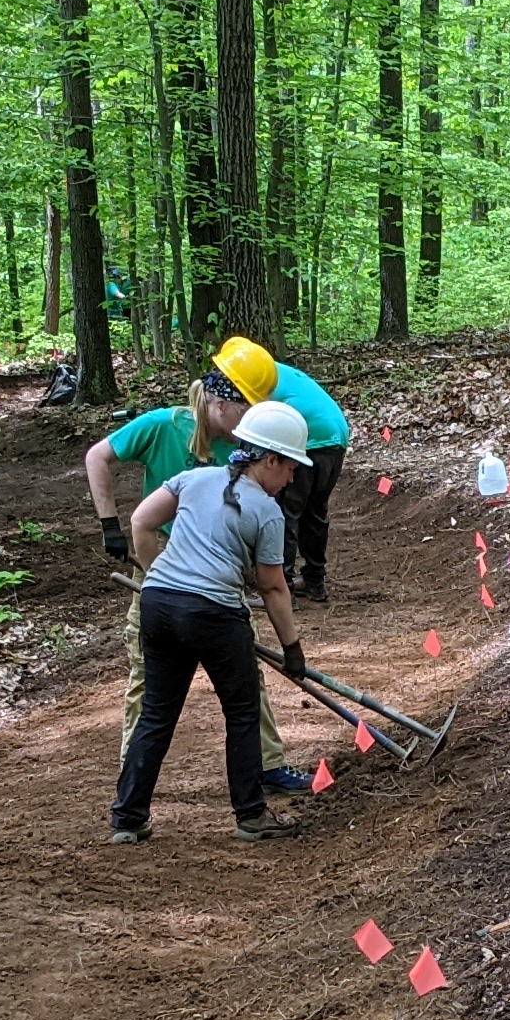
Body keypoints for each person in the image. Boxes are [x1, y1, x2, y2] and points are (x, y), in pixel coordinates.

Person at [82, 366, 300, 789]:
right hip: (162, 568)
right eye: (246, 409)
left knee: (244, 677)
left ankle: (268, 764)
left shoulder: (244, 450)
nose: (251, 422)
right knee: (148, 681)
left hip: (217, 582)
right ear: (220, 405)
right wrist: (113, 529)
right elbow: (98, 458)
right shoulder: (162, 427)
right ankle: (133, 774)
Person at [113, 400, 317, 846]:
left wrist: (159, 575)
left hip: (158, 607)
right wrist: (293, 649)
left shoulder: (193, 479)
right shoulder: (267, 511)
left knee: (156, 713)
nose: (292, 479)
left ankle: (128, 817)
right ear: (270, 459)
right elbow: (273, 587)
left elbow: (140, 521)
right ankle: (251, 815)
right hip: (214, 614)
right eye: (290, 468)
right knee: (242, 713)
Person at [205, 334, 354, 602]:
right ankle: (314, 580)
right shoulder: (271, 373)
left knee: (284, 512)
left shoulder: (254, 383)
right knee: (314, 510)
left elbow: (255, 431)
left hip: (307, 440)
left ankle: (280, 586)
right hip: (335, 437)